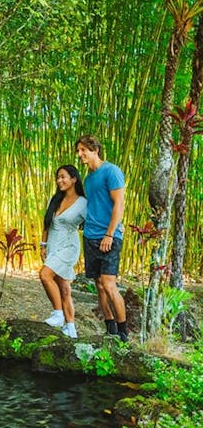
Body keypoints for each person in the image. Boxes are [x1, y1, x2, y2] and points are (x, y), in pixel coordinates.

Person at [75, 134, 128, 342]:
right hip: (90, 236)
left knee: (109, 284)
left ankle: (124, 334)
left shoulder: (111, 171)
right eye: (78, 151)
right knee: (98, 284)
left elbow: (119, 204)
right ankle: (110, 329)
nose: (80, 155)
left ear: (95, 150)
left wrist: (110, 233)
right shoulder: (88, 179)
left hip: (108, 236)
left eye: (83, 151)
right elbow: (94, 205)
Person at [39, 165, 87, 339]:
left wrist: (113, 231)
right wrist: (43, 245)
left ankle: (58, 314)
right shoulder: (56, 199)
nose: (59, 180)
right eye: (58, 177)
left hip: (69, 246)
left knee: (45, 275)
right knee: (64, 289)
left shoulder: (83, 203)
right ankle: (71, 328)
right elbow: (47, 224)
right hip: (53, 245)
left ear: (74, 179)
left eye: (63, 177)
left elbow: (95, 220)